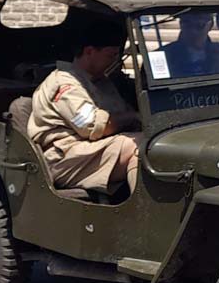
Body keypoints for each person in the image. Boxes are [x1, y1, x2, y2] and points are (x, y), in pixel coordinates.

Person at [29, 20, 142, 195]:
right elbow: (93, 126)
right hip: (66, 158)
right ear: (89, 51)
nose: (114, 60)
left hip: (93, 150)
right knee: (138, 147)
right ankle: (145, 210)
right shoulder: (65, 83)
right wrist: (133, 117)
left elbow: (121, 112)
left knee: (155, 144)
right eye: (110, 55)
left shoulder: (102, 82)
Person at [161, 10, 219, 77]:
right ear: (181, 24)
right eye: (187, 24)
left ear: (210, 25)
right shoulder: (164, 55)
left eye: (200, 25)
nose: (193, 31)